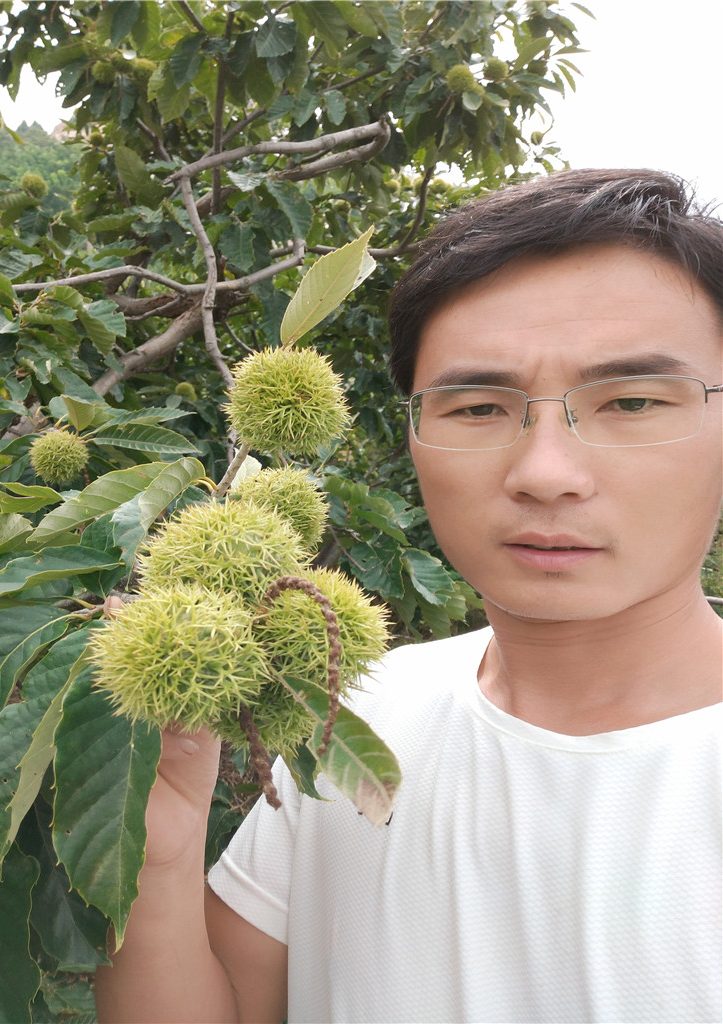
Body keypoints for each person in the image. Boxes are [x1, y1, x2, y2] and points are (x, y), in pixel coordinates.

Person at [94, 168, 723, 1024]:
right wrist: (152, 855)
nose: (544, 473)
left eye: (635, 400)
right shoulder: (353, 718)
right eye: (476, 408)